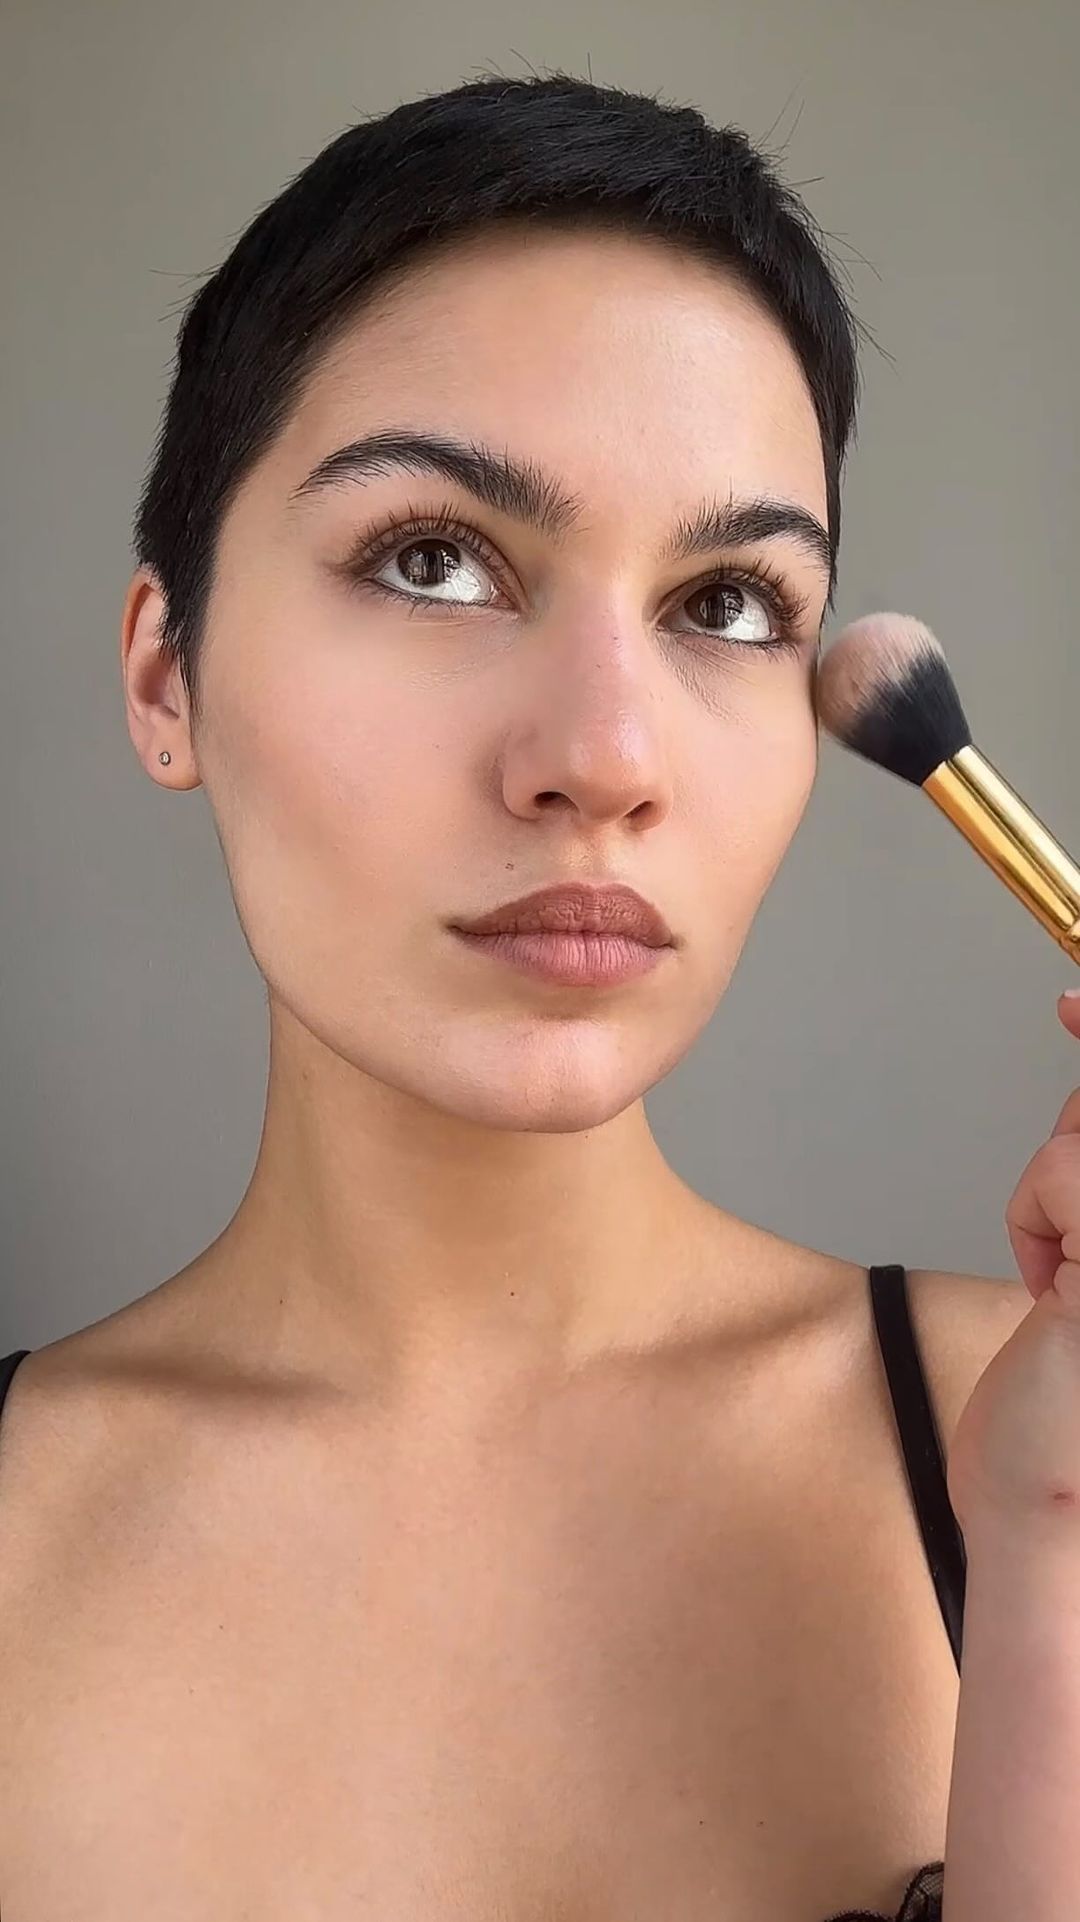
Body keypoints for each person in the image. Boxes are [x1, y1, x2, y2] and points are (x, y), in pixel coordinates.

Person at [0, 69, 1031, 1922]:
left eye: (727, 604)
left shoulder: (1019, 1435)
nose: (604, 757)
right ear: (168, 678)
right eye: (435, 561)